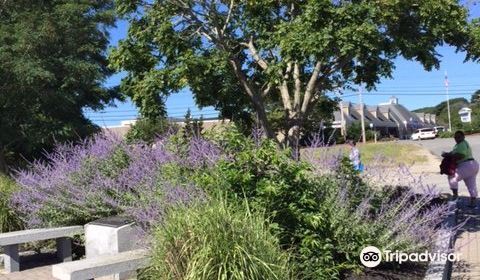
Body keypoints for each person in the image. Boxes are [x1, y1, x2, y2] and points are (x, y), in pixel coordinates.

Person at [442, 130, 479, 207]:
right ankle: (473, 202)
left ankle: (455, 197)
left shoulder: (462, 144)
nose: (457, 138)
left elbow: (461, 155)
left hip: (466, 164)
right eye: (455, 137)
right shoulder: (459, 145)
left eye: (459, 137)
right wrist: (447, 154)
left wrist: (448, 156)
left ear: (463, 137)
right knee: (471, 184)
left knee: (452, 177)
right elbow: (453, 153)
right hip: (473, 165)